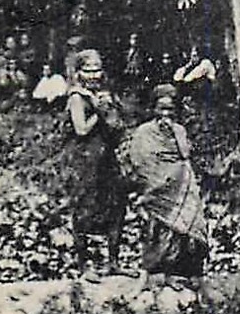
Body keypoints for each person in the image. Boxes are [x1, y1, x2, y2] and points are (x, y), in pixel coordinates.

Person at [116, 84, 210, 288]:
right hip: (157, 187)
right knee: (161, 228)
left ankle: (186, 271)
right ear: (153, 109)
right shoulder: (144, 132)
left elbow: (185, 155)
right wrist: (153, 182)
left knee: (191, 224)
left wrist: (174, 134)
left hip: (181, 183)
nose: (166, 113)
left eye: (170, 109)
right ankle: (162, 273)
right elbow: (140, 160)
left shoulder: (179, 130)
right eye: (161, 108)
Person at [66, 49, 130, 279]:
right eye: (88, 70)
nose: (93, 75)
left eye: (97, 69)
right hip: (87, 159)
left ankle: (113, 261)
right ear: (79, 73)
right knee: (85, 208)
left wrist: (111, 109)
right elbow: (81, 129)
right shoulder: (77, 97)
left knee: (115, 206)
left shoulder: (105, 94)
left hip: (107, 157)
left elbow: (118, 127)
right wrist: (99, 112)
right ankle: (85, 265)